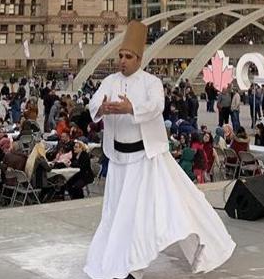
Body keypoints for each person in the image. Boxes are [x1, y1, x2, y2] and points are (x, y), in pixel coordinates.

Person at [84, 21, 234, 279]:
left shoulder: (151, 82)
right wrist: (103, 108)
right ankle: (118, 262)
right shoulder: (109, 81)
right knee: (117, 214)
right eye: (120, 55)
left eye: (128, 56)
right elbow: (95, 103)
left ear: (139, 59)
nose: (122, 60)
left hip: (146, 159)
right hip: (119, 159)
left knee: (153, 212)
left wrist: (131, 108)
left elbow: (156, 106)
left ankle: (135, 267)